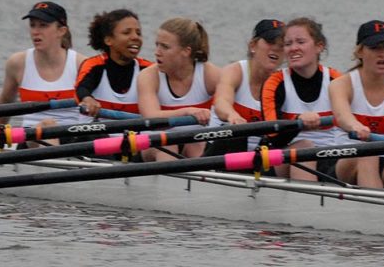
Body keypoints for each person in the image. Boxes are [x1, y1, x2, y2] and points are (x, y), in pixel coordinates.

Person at [329, 20, 384, 188]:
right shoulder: (342, 85)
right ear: (360, 52)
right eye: (375, 48)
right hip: (347, 159)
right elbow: (342, 116)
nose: (382, 54)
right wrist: (355, 126)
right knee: (368, 152)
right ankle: (378, 211)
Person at [260, 17, 342, 181]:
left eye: (300, 42)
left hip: (329, 156)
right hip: (279, 158)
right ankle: (306, 205)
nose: (293, 48)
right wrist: (297, 122)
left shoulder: (337, 80)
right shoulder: (275, 83)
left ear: (319, 46)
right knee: (305, 148)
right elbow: (273, 136)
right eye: (288, 44)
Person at [136, 17, 221, 159]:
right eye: (157, 45)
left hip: (195, 139)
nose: (157, 52)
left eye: (165, 47)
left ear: (186, 51)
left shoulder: (210, 74)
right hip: (156, 141)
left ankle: (202, 176)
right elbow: (150, 117)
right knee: (167, 147)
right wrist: (187, 111)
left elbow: (230, 107)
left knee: (198, 147)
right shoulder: (149, 76)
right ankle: (168, 177)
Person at [0, 1, 88, 131]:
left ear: (61, 31)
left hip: (71, 141)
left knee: (49, 126)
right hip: (30, 141)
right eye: (32, 25)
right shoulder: (17, 63)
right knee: (46, 125)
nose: (35, 32)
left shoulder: (82, 64)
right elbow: (5, 103)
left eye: (43, 26)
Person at [206, 19, 286, 155]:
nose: (276, 48)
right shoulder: (235, 71)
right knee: (239, 132)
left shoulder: (284, 82)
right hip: (221, 152)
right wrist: (232, 115)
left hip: (260, 156)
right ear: (253, 45)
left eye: (282, 45)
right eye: (270, 42)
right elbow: (221, 102)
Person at [75, 9, 152, 117]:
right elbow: (82, 89)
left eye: (138, 33)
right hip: (97, 131)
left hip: (134, 133)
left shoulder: (147, 69)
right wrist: (87, 99)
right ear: (108, 40)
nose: (135, 37)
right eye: (126, 32)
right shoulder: (94, 65)